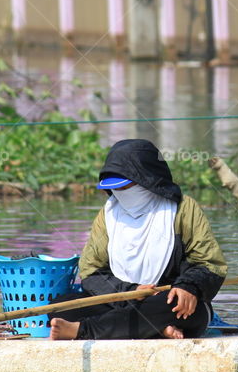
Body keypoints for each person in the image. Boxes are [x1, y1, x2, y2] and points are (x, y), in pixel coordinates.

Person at [49, 139, 227, 340]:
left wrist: (188, 287)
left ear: (148, 180)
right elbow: (91, 271)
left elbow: (210, 264)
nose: (120, 194)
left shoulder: (183, 209)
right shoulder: (108, 214)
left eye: (126, 187)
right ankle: (155, 328)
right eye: (115, 188)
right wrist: (130, 291)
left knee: (169, 308)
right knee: (61, 307)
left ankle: (84, 330)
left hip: (170, 300)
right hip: (121, 299)